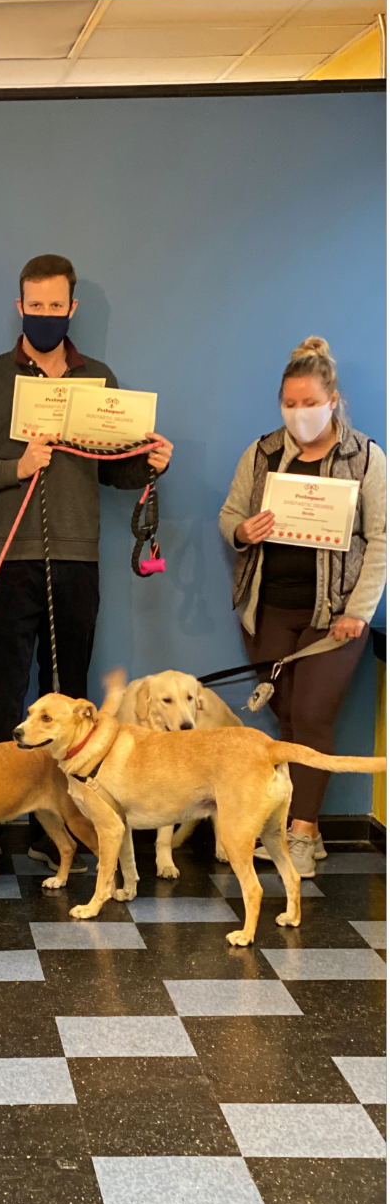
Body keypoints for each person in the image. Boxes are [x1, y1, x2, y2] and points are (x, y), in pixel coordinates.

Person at [0, 253, 173, 881]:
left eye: (54, 305)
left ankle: (63, 819)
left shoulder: (99, 378)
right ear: (20, 307)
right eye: (32, 305)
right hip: (8, 560)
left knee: (65, 696)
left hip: (77, 558)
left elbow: (113, 467)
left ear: (71, 308)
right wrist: (14, 466)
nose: (44, 315)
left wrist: (150, 461)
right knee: (3, 693)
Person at [219, 336, 386, 878]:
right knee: (286, 714)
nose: (299, 413)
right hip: (268, 610)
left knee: (313, 714)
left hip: (336, 617)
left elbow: (380, 539)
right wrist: (243, 531)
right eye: (289, 404)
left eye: (309, 403)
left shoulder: (365, 457)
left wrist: (358, 609)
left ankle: (304, 834)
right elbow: (229, 517)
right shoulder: (263, 452)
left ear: (332, 401)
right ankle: (286, 821)